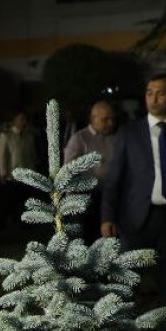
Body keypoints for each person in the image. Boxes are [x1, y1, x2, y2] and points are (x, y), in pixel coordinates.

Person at [100, 73, 166, 331]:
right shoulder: (129, 133)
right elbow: (114, 178)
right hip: (136, 218)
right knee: (128, 279)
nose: (153, 98)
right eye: (149, 92)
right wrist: (107, 216)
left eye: (160, 93)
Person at [62, 99, 118, 239]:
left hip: (106, 197)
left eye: (112, 119)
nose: (110, 123)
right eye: (105, 119)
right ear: (93, 119)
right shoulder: (80, 139)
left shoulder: (114, 139)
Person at [0, 110, 40, 229]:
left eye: (25, 120)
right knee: (6, 201)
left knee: (24, 200)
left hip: (26, 174)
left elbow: (32, 155)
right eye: (20, 119)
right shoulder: (7, 136)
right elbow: (1, 155)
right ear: (14, 121)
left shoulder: (29, 136)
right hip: (11, 174)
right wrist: (3, 172)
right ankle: (1, 224)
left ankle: (23, 223)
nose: (23, 122)